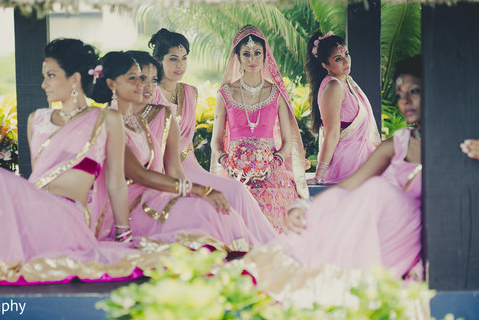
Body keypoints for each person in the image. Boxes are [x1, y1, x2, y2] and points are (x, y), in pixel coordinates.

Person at [0, 40, 149, 285]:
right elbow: (37, 178)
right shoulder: (36, 120)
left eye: (51, 75)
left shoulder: (105, 119)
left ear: (74, 78)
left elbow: (115, 184)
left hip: (68, 216)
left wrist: (124, 235)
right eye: (44, 76)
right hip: (32, 211)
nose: (43, 84)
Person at [90, 51, 259, 252]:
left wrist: (195, 195)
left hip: (153, 197)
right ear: (113, 84)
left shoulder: (141, 122)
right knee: (203, 214)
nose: (144, 86)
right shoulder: (109, 120)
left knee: (212, 210)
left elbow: (174, 171)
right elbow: (140, 175)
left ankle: (225, 273)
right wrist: (201, 190)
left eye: (153, 80)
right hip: (126, 207)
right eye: (136, 78)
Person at [281, 54, 424, 278]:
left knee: (378, 190)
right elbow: (349, 186)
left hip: (422, 231)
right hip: (395, 229)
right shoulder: (395, 145)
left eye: (413, 91)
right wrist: (303, 206)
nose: (404, 101)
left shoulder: (460, 141)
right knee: (372, 189)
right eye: (399, 95)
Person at [134, 49, 278, 244]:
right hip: (145, 187)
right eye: (173, 59)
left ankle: (248, 252)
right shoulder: (127, 113)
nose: (180, 65)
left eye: (184, 58)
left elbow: (178, 161)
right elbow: (140, 173)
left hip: (179, 171)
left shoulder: (176, 104)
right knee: (207, 209)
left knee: (231, 195)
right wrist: (199, 190)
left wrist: (194, 189)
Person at [210, 25, 308, 233]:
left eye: (257, 53)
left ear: (265, 56)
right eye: (246, 54)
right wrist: (229, 165)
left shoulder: (276, 93)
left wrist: (273, 164)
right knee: (241, 235)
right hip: (236, 177)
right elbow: (216, 142)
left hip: (272, 176)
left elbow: (287, 141)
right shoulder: (225, 93)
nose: (252, 59)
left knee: (274, 233)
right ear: (238, 57)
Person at [305, 31, 381, 185]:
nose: (346, 62)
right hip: (349, 164)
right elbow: (332, 134)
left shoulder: (347, 82)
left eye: (347, 54)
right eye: (338, 59)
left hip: (362, 159)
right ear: (325, 65)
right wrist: (319, 176)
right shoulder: (333, 87)